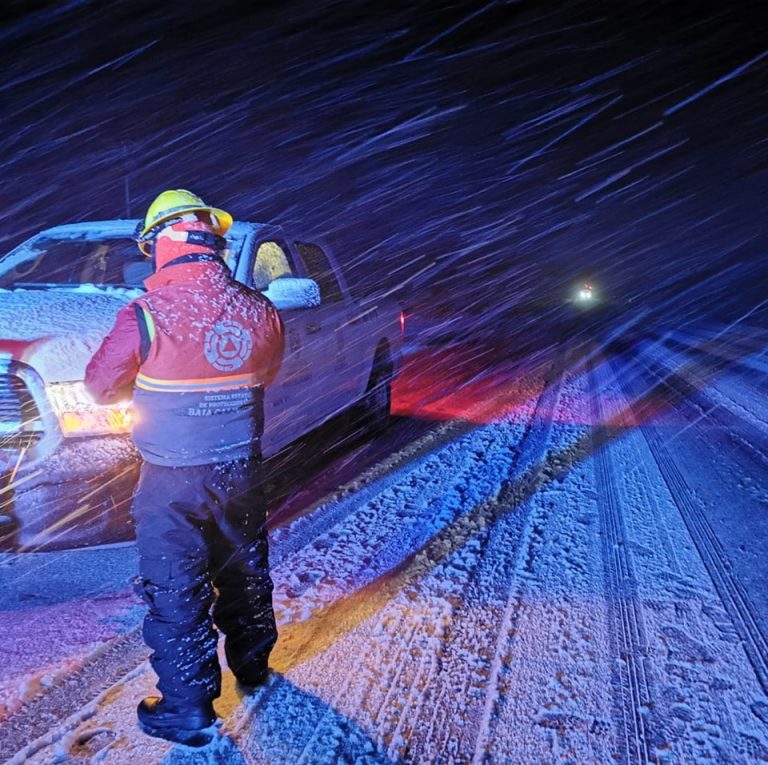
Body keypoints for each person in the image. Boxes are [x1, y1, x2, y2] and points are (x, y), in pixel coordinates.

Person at [85, 189, 285, 747]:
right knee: (244, 569)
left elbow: (100, 386)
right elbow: (263, 372)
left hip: (171, 476)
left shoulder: (145, 314)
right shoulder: (259, 309)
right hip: (241, 468)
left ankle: (189, 710)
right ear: (213, 244)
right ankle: (253, 665)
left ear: (163, 245)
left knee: (176, 588)